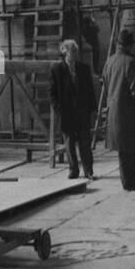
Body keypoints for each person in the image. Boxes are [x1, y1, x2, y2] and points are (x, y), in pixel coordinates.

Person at [102, 28, 135, 191]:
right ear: (129, 45)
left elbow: (106, 85)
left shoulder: (110, 61)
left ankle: (132, 175)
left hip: (114, 109)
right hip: (128, 111)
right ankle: (128, 181)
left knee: (125, 147)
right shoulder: (130, 62)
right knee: (127, 147)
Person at [49, 38, 97, 180]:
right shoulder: (57, 69)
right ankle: (73, 169)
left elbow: (90, 90)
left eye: (76, 51)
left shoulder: (84, 68)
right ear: (65, 52)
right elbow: (52, 92)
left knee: (85, 142)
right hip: (67, 112)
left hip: (82, 111)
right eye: (72, 51)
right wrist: (58, 108)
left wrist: (92, 108)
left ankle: (88, 170)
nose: (75, 54)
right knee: (69, 143)